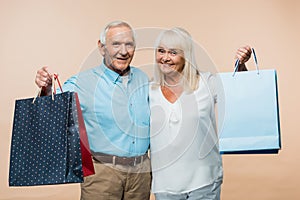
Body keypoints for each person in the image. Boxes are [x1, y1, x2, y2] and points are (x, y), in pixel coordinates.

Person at [35, 21, 151, 200]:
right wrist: (47, 90)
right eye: (116, 44)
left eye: (129, 44)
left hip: (141, 174)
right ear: (102, 47)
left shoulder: (143, 79)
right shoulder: (81, 82)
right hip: (102, 174)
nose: (124, 51)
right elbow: (53, 110)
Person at [149, 27, 251, 200]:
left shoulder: (207, 82)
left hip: (205, 181)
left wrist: (241, 66)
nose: (165, 58)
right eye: (161, 51)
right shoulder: (148, 90)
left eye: (173, 52)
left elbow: (241, 95)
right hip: (165, 185)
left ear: (186, 55)